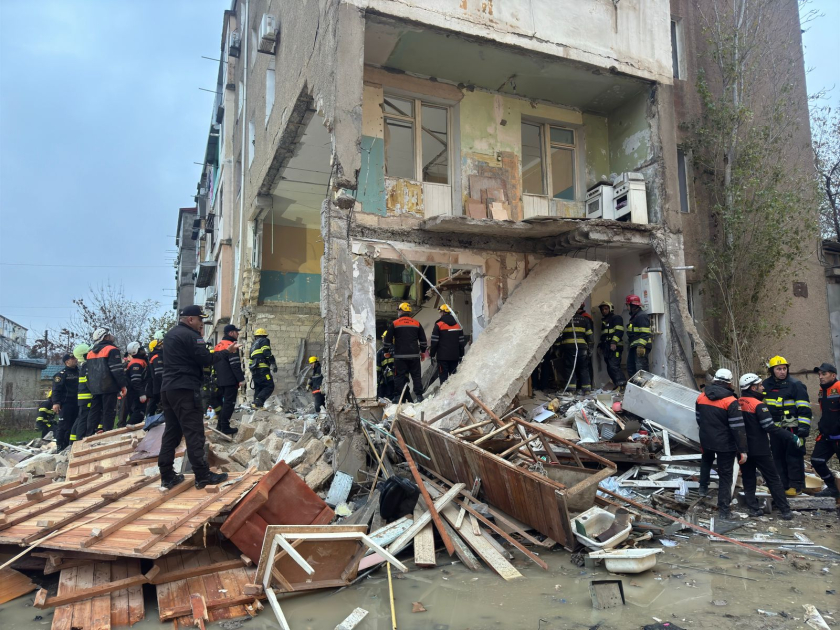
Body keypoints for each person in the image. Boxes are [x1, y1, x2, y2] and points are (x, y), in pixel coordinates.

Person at [158, 305, 237, 490]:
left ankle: (167, 476)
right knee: (194, 432)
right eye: (200, 320)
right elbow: (206, 359)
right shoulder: (192, 336)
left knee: (172, 432)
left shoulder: (170, 335)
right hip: (185, 389)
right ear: (191, 319)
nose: (202, 324)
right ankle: (202, 476)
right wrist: (227, 351)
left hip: (168, 389)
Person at [737, 373, 794, 520]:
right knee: (773, 479)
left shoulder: (738, 402)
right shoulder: (759, 405)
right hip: (760, 449)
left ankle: (753, 508)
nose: (763, 387)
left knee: (748, 479)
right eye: (760, 385)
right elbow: (770, 427)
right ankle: (785, 510)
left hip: (744, 449)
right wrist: (789, 436)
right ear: (753, 387)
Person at [695, 368, 748, 519]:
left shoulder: (702, 396)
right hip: (725, 444)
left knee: (706, 461)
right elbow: (737, 428)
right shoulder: (731, 401)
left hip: (706, 439)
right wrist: (742, 449)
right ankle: (724, 510)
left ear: (715, 380)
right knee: (726, 475)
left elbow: (699, 419)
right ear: (730, 383)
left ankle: (702, 488)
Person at [763, 355, 811, 496]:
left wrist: (804, 427)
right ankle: (783, 485)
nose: (782, 371)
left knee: (794, 457)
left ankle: (796, 487)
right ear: (772, 371)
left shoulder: (796, 385)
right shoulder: (766, 385)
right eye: (779, 369)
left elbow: (804, 408)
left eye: (784, 368)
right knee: (778, 457)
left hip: (793, 428)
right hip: (776, 430)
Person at [383, 302, 427, 402]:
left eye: (398, 310)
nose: (398, 312)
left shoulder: (395, 323)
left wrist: (386, 351)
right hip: (414, 355)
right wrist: (423, 351)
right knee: (416, 376)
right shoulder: (416, 323)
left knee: (399, 376)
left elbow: (387, 339)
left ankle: (398, 397)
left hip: (400, 356)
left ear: (402, 311)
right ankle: (419, 396)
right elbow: (423, 340)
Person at [86, 328, 126, 435]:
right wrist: (123, 385)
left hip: (95, 388)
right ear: (105, 337)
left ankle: (89, 434)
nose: (112, 336)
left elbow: (88, 372)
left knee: (94, 412)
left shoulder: (90, 352)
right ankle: (107, 433)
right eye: (109, 334)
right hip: (109, 387)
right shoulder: (112, 350)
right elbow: (117, 370)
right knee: (109, 411)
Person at [811, 362, 840, 498]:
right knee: (817, 460)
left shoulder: (839, 387)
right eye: (819, 374)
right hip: (826, 435)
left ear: (833, 375)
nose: (821, 377)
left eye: (824, 374)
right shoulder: (822, 390)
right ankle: (832, 488)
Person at [213, 324, 244, 435]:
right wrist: (240, 379)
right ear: (231, 333)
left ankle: (220, 425)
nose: (238, 333)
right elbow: (235, 364)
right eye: (236, 332)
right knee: (229, 404)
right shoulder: (231, 345)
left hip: (220, 379)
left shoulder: (218, 345)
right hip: (230, 380)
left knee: (224, 404)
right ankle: (225, 427)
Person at [558, 303, 593, 395]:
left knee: (570, 367)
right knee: (583, 368)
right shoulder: (585, 320)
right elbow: (590, 336)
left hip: (569, 348)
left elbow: (559, 336)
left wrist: (558, 348)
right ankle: (587, 389)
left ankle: (571, 389)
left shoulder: (565, 320)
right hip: (582, 348)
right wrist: (590, 348)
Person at [429, 304, 466, 386]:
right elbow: (461, 342)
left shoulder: (438, 325)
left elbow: (434, 342)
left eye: (440, 312)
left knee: (443, 380)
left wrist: (432, 354)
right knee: (454, 379)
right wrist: (461, 355)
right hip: (455, 357)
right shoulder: (458, 325)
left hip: (442, 358)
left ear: (442, 312)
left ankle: (444, 396)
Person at [51, 353, 79, 451]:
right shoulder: (61, 375)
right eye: (72, 358)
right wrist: (56, 403)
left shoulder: (80, 372)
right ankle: (60, 446)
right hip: (66, 404)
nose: (75, 360)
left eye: (75, 358)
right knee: (63, 426)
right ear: (67, 361)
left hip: (78, 404)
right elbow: (56, 390)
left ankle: (72, 445)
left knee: (76, 425)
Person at [597, 300, 626, 390]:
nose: (604, 311)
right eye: (602, 309)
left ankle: (622, 385)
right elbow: (604, 335)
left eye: (606, 309)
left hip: (615, 347)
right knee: (610, 367)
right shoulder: (604, 322)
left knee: (614, 366)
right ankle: (617, 384)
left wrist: (614, 342)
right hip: (607, 348)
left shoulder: (616, 318)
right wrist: (601, 345)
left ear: (610, 309)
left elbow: (619, 331)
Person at [119, 342, 148, 427]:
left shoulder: (140, 361)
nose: (143, 350)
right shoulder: (137, 363)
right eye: (141, 349)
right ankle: (129, 425)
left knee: (140, 412)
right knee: (140, 412)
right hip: (136, 393)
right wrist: (141, 393)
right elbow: (136, 381)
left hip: (137, 391)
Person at [69, 343, 91, 443]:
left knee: (81, 418)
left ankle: (74, 441)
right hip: (87, 398)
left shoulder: (84, 366)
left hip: (83, 398)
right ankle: (79, 441)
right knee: (83, 419)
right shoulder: (87, 366)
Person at [249, 328, 277, 408]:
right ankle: (258, 402)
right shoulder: (264, 340)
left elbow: (251, 359)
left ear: (256, 336)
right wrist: (273, 362)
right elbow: (266, 352)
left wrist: (252, 371)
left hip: (255, 371)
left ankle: (257, 405)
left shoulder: (253, 345)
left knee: (258, 388)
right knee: (269, 386)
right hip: (263, 369)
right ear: (264, 335)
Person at [625, 294, 651, 377]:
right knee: (631, 367)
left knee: (641, 369)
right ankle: (635, 387)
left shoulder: (641, 316)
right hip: (634, 346)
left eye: (627, 305)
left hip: (640, 346)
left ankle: (643, 387)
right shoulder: (635, 317)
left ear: (633, 305)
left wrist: (641, 346)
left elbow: (645, 333)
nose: (627, 307)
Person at [145, 337, 164, 416]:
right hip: (158, 385)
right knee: (155, 402)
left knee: (154, 402)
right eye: (160, 345)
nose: (162, 346)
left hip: (157, 385)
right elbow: (159, 373)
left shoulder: (158, 355)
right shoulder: (156, 357)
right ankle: (149, 417)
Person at [376, 331, 396, 400]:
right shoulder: (380, 352)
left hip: (395, 377)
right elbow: (378, 367)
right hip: (386, 379)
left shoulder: (396, 349)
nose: (383, 340)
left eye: (384, 338)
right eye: (383, 339)